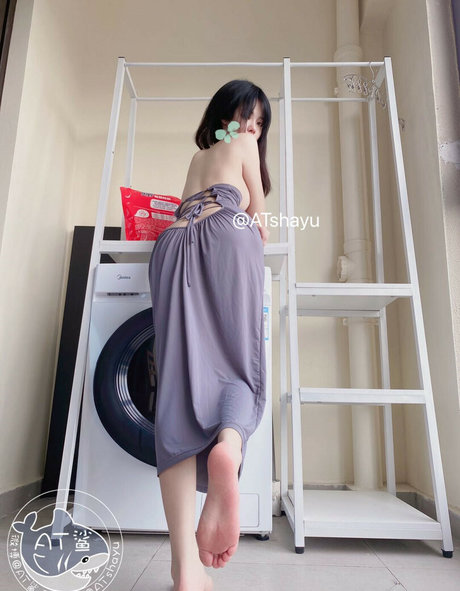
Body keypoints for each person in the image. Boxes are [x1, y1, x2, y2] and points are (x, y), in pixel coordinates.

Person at [148, 79, 271, 591]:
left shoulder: (198, 157)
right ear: (229, 118)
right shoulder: (244, 147)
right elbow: (259, 217)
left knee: (177, 386)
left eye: (259, 123)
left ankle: (185, 568)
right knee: (238, 362)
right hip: (226, 232)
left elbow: (186, 207)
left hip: (172, 242)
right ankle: (229, 443)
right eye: (248, 117)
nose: (252, 128)